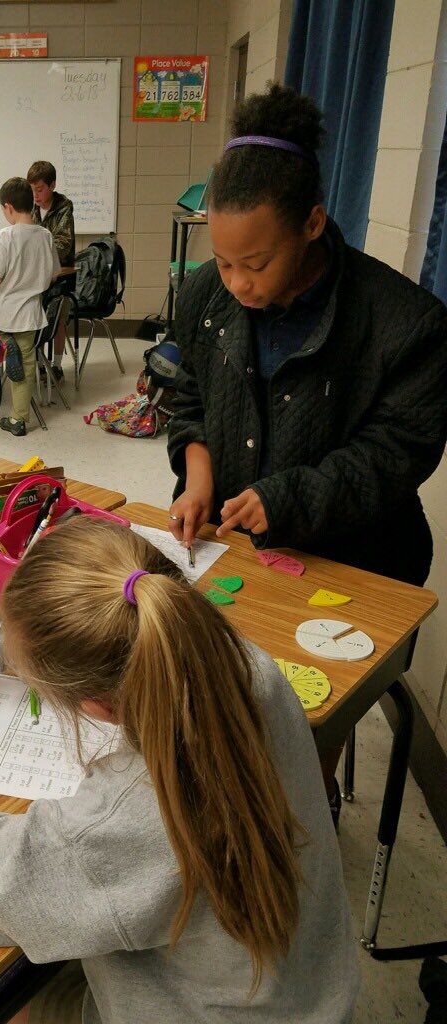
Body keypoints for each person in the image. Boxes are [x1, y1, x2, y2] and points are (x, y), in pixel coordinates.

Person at [0, 517, 358, 1024]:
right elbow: (115, 625)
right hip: (303, 992)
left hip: (197, 1009)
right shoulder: (236, 661)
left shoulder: (113, 827)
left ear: (97, 709)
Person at [166, 82, 447, 823]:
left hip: (361, 558)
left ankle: (302, 812)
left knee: (292, 742)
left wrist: (286, 497)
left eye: (254, 263)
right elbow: (186, 393)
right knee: (199, 691)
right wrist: (199, 477)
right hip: (240, 549)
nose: (235, 283)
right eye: (222, 262)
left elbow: (396, 454)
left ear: (314, 223)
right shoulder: (207, 297)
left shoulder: (404, 322)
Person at [0, 176, 59, 437]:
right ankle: (19, 415)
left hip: (5, 313)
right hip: (30, 313)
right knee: (26, 362)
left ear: (8, 207)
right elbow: (53, 274)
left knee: (13, 360)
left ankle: (17, 415)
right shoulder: (45, 235)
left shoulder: (5, 236)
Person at [27, 160, 75, 382]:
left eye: (40, 189)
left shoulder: (64, 207)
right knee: (32, 311)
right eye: (32, 190)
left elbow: (63, 246)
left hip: (61, 276)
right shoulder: (30, 207)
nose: (35, 195)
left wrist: (38, 248)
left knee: (58, 315)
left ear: (52, 186)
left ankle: (56, 365)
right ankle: (37, 362)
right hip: (36, 274)